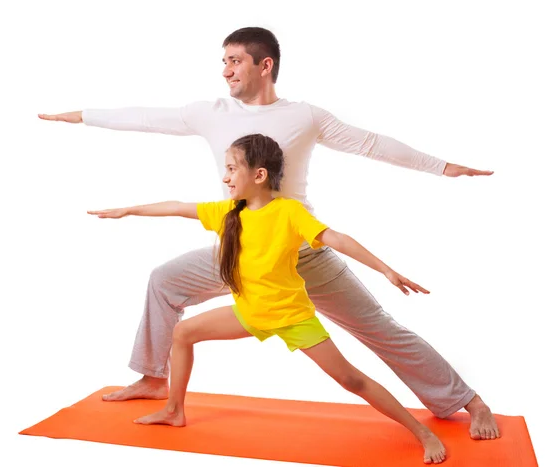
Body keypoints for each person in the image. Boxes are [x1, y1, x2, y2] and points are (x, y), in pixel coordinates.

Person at [40, 27, 500, 440]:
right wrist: (81, 115)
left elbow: (372, 144)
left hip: (301, 253)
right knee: (165, 280)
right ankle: (154, 378)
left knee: (379, 328)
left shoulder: (305, 116)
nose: (225, 71)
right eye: (223, 61)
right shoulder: (210, 112)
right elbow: (145, 118)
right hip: (238, 251)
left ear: (266, 65)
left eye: (234, 60)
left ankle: (465, 400)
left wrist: (443, 168)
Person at [88, 134, 448, 464]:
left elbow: (337, 239)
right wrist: (128, 210)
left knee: (351, 380)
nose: (225, 177)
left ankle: (423, 433)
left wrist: (386, 269)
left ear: (258, 175)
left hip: (292, 316)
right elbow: (177, 206)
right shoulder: (229, 214)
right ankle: (173, 410)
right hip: (250, 312)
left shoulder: (288, 212)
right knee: (182, 334)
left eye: (231, 169)